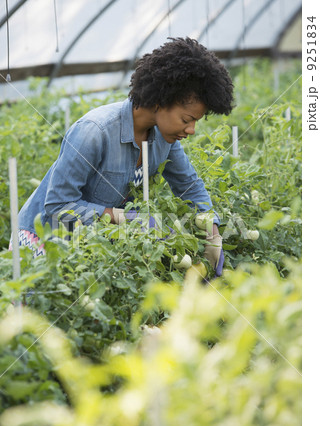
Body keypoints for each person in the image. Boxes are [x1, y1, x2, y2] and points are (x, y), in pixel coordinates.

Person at [12, 37, 234, 274]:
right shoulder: (94, 132)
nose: (191, 130)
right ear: (161, 101)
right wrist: (125, 218)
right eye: (187, 120)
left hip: (89, 242)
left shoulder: (164, 138)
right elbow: (57, 206)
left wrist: (212, 230)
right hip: (43, 240)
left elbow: (189, 185)